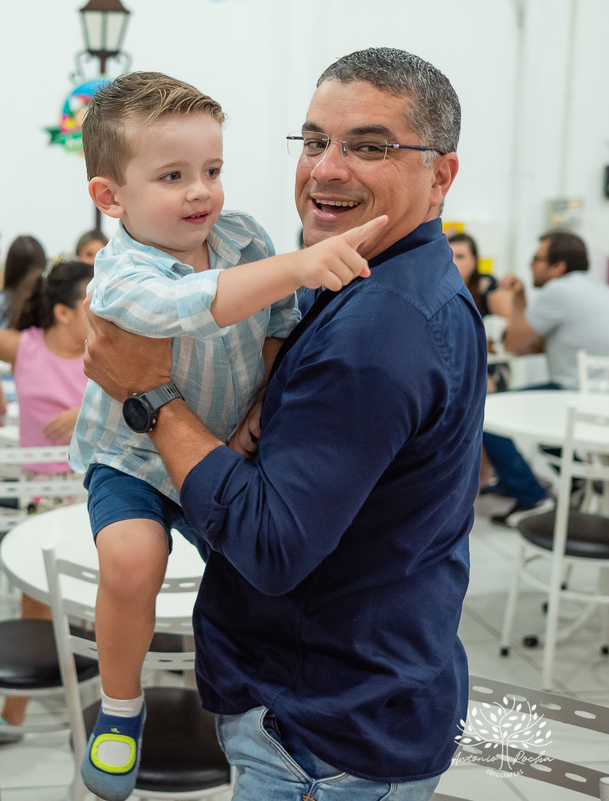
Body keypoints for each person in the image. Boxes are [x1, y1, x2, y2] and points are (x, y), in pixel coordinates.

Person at [81, 48, 477, 801]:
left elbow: (269, 544)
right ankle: (120, 706)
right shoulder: (378, 279)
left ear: (440, 175)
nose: (327, 168)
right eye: (314, 141)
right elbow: (247, 323)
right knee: (131, 560)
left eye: (368, 146)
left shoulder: (377, 327)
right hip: (354, 696)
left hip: (321, 734)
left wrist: (152, 395)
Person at [0, 260, 93, 743]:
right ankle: (13, 715)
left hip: (93, 484)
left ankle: (102, 701)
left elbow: (138, 396)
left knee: (101, 594)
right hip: (40, 489)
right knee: (38, 599)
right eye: (90, 301)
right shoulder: (27, 346)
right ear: (63, 312)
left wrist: (84, 411)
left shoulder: (104, 348)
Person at [481, 230, 609, 524]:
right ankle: (579, 484)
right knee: (546, 436)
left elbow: (515, 344)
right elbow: (533, 344)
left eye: (537, 259)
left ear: (558, 267)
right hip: (598, 396)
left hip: (576, 393)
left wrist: (519, 297)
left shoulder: (558, 291)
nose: (530, 265)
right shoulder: (597, 288)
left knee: (486, 411)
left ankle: (531, 497)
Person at [448, 231, 497, 317]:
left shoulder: (488, 284)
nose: (452, 261)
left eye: (459, 256)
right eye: (448, 256)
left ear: (474, 262)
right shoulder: (437, 290)